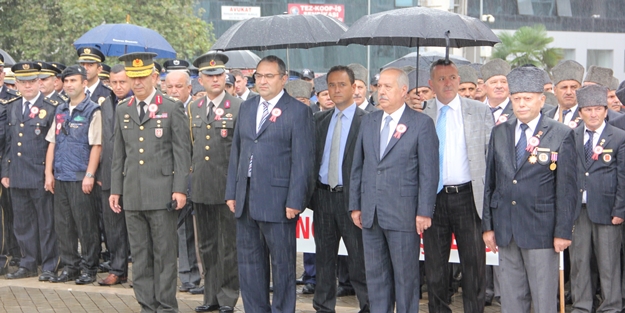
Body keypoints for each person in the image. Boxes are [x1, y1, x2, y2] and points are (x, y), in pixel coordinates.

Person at [482, 65, 577, 313]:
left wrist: (563, 231)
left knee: (543, 298)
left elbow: (567, 189)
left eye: (527, 98)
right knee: (511, 299)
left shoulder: (561, 134)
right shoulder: (500, 132)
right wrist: (488, 226)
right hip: (507, 228)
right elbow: (491, 182)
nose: (521, 104)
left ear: (541, 100)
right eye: (516, 99)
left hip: (542, 230)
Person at [225, 55, 314, 313]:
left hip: (279, 201)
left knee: (283, 265)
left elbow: (303, 161)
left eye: (269, 76)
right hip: (246, 198)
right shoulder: (248, 107)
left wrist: (295, 200)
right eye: (259, 76)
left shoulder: (299, 111)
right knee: (250, 265)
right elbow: (237, 152)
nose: (262, 81)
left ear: (283, 79)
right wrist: (232, 191)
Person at [349, 67, 438, 312]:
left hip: (404, 214)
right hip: (371, 213)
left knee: (405, 278)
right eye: (379, 86)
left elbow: (429, 173)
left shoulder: (421, 123)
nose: (382, 91)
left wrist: (424, 211)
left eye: (388, 87)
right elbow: (359, 165)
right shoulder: (368, 121)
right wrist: (355, 204)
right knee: (376, 277)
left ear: (403, 91)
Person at [109, 52, 191, 312]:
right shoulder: (123, 108)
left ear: (155, 77)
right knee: (141, 256)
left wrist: (179, 189)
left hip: (162, 194)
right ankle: (147, 305)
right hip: (133, 193)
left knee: (164, 255)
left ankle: (166, 306)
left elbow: (181, 152)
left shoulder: (171, 106)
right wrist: (116, 190)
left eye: (142, 77)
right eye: (132, 77)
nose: (137, 82)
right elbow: (119, 155)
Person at [421, 59, 493, 312]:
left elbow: (490, 158)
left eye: (452, 77)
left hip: (467, 197)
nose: (448, 83)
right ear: (431, 84)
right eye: (441, 79)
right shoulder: (421, 112)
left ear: (459, 80)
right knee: (436, 268)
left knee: (473, 265)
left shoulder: (479, 111)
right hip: (433, 199)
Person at [310, 65, 370, 313]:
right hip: (324, 197)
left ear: (354, 87)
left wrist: (362, 202)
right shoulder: (319, 120)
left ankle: (369, 306)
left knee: (359, 260)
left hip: (352, 200)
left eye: (341, 84)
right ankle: (323, 307)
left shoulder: (368, 121)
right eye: (331, 85)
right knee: (324, 259)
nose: (336, 89)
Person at [190, 51, 243, 313]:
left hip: (226, 188)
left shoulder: (238, 107)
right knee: (206, 245)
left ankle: (227, 297)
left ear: (226, 77)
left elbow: (242, 151)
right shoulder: (193, 108)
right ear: (201, 80)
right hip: (200, 187)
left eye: (219, 75)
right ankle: (209, 296)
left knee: (228, 246)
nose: (215, 79)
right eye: (209, 76)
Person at [569, 84, 625, 313]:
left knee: (609, 262)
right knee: (579, 261)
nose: (593, 114)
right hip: (578, 211)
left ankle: (611, 306)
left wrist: (620, 210)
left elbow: (623, 176)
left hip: (607, 209)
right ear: (580, 112)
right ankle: (582, 306)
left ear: (605, 111)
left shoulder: (619, 137)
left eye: (597, 109)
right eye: (587, 110)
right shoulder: (570, 137)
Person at [44, 65, 102, 284]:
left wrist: (90, 174)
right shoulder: (59, 109)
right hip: (61, 176)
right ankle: (71, 266)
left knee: (85, 224)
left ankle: (89, 267)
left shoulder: (93, 110)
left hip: (80, 177)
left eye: (73, 81)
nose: (69, 85)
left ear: (84, 83)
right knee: (64, 225)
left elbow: (96, 145)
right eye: (66, 81)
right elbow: (52, 142)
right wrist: (48, 173)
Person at [2, 62, 59, 280]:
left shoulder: (51, 106)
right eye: (22, 82)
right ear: (16, 84)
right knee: (22, 223)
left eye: (32, 81)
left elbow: (54, 144)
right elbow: (9, 142)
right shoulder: (13, 106)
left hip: (40, 173)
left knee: (46, 223)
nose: (27, 86)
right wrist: (5, 171)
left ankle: (48, 264)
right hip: (17, 173)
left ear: (39, 82)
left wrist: (50, 173)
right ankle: (27, 263)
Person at [97, 64, 131, 285]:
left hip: (135, 174)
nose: (118, 87)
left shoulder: (137, 103)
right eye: (114, 82)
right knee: (113, 226)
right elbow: (101, 141)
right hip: (110, 173)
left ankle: (144, 274)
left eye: (122, 82)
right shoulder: (106, 104)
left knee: (136, 227)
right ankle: (118, 270)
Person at [543, 60, 584, 125]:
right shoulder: (545, 118)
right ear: (555, 90)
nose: (569, 92)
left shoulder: (587, 117)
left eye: (573, 87)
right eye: (564, 87)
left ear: (581, 89)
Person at [481, 59, 513, 124]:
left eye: (503, 82)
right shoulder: (477, 110)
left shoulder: (517, 110)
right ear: (485, 87)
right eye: (493, 82)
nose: (499, 86)